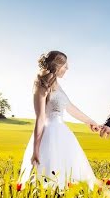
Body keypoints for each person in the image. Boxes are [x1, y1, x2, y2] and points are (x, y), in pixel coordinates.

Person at [19, 51, 99, 188]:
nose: (67, 69)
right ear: (56, 65)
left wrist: (90, 122)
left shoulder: (57, 84)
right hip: (48, 136)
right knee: (49, 177)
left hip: (63, 135)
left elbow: (70, 108)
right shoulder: (42, 83)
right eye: (65, 65)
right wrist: (36, 149)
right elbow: (40, 117)